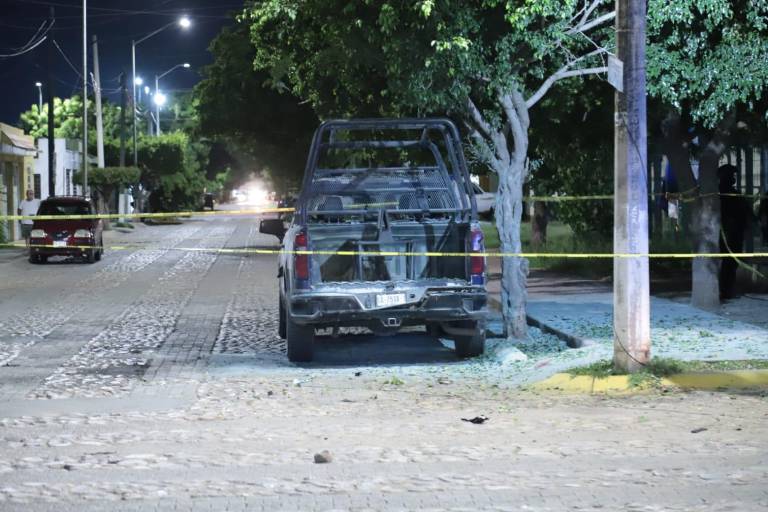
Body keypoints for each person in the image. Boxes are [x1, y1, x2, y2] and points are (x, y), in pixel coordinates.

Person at [718, 164, 752, 300]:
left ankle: (727, 291)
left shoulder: (733, 193)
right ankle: (725, 291)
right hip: (728, 235)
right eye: (731, 175)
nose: (733, 178)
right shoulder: (722, 193)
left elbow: (745, 211)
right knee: (729, 263)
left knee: (731, 263)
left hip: (735, 234)